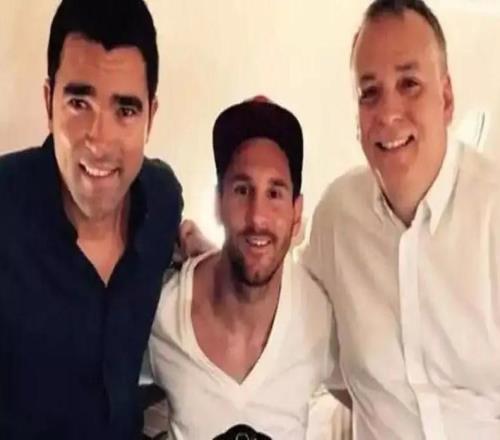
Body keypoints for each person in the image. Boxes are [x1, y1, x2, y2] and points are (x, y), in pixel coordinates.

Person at [303, 0, 500, 438]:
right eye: (369, 92)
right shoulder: (336, 218)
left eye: (409, 84)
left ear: (446, 98)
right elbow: (298, 332)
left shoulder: (492, 213)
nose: (388, 114)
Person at [0, 0, 184, 438]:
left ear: (151, 116)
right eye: (79, 102)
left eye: (126, 110)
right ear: (49, 101)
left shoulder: (161, 202)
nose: (99, 141)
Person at [148, 97, 339, 439]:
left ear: (296, 213)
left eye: (274, 193)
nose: (257, 217)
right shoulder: (162, 315)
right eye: (242, 190)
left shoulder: (321, 316)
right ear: (218, 202)